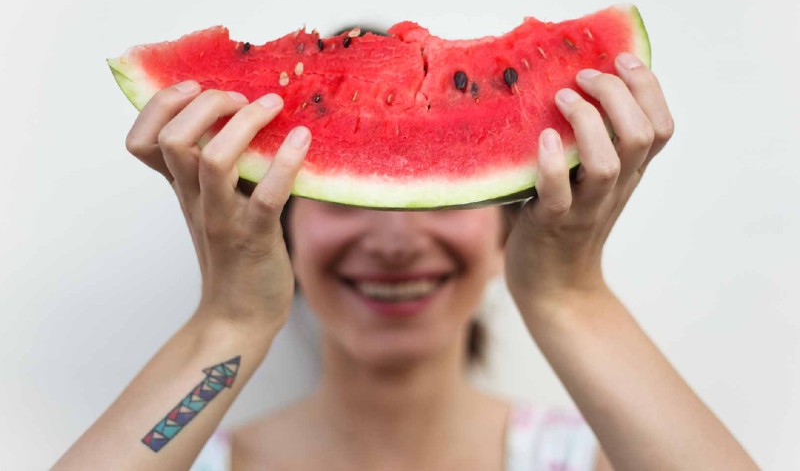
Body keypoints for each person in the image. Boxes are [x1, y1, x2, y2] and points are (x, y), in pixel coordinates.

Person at [54, 51, 757, 470]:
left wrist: (569, 295)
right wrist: (230, 319)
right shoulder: (176, 449)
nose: (394, 240)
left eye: (441, 199)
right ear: (284, 226)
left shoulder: (585, 460)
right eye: (349, 198)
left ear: (505, 227)